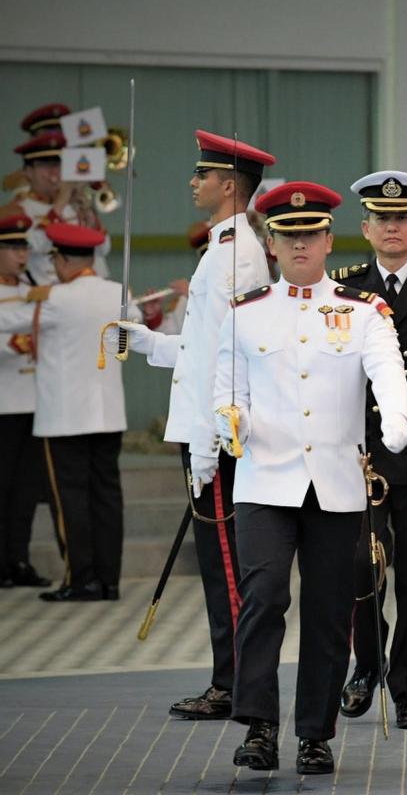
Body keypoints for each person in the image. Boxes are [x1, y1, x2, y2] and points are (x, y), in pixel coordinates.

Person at [210, 181, 407, 776]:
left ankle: (314, 734)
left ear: (329, 239)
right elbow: (228, 389)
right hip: (264, 480)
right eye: (287, 235)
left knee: (328, 611)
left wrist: (398, 419)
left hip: (334, 482)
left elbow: (387, 370)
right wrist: (229, 421)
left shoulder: (361, 311)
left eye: (310, 233)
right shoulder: (244, 314)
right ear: (271, 244)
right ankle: (260, 725)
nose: (300, 243)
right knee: (265, 596)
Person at [110, 130, 276, 722]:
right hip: (207, 430)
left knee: (229, 569)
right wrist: (151, 341)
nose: (193, 182)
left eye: (202, 174)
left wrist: (210, 440)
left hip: (218, 437)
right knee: (218, 567)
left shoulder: (235, 254)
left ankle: (235, 685)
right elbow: (206, 348)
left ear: (230, 185)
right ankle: (228, 679)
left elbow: (235, 351)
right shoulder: (222, 248)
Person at [334, 170, 407, 729]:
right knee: (360, 564)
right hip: (359, 453)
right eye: (382, 219)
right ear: (365, 227)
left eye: (403, 218)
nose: (393, 227)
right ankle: (366, 663)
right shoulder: (345, 289)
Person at [0, 223, 133, 601]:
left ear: (61, 260)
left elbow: (8, 320)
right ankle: (109, 580)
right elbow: (137, 323)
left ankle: (80, 579)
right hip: (109, 415)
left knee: (70, 498)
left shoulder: (54, 298)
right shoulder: (117, 292)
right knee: (107, 496)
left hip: (64, 419)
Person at [0, 211, 50, 589]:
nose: (21, 255)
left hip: (35, 404)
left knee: (26, 492)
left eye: (23, 247)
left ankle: (19, 559)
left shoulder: (33, 285)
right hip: (4, 406)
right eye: (13, 247)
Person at [10, 130, 110, 285]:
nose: (53, 172)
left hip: (83, 290)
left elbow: (103, 249)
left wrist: (90, 220)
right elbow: (35, 245)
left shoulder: (75, 205)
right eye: (44, 165)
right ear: (28, 172)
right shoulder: (18, 209)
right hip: (43, 294)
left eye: (58, 164)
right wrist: (59, 205)